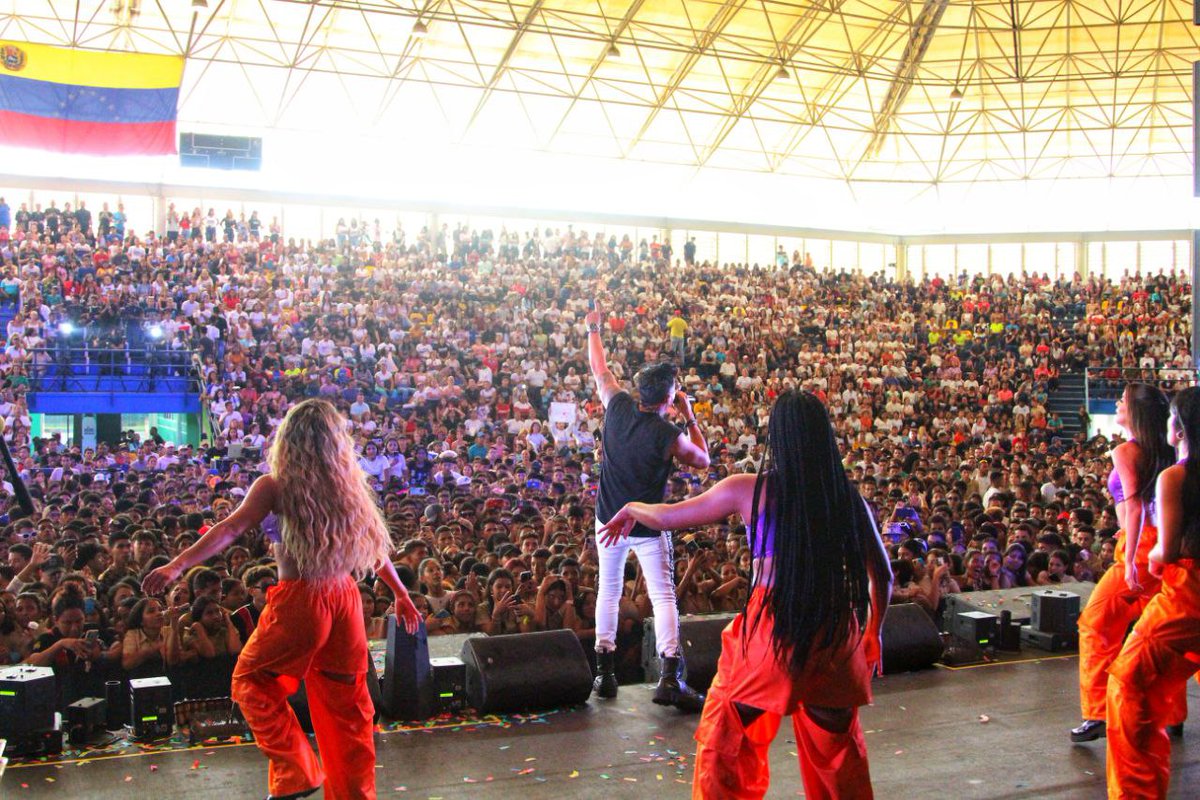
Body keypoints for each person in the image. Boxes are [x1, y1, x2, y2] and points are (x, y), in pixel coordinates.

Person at [600, 392, 892, 800]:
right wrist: (873, 632)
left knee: (727, 740)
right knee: (838, 754)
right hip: (833, 632)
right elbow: (883, 575)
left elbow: (668, 516)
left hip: (773, 632)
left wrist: (631, 507)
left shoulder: (750, 490)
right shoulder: (847, 500)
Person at [144, 399, 422, 800]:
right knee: (348, 708)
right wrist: (400, 593)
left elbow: (230, 528)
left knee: (251, 681)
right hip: (345, 599)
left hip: (303, 599)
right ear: (336, 443)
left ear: (287, 439)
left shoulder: (275, 485)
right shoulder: (347, 486)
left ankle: (296, 772)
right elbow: (376, 550)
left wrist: (177, 565)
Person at [585, 299, 710, 709]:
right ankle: (670, 676)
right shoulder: (668, 432)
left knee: (608, 589)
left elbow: (600, 370)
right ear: (668, 396)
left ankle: (604, 675)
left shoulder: (617, 406)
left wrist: (594, 330)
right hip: (647, 525)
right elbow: (704, 461)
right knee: (663, 596)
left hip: (608, 519)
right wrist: (690, 416)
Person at [1073, 384, 1185, 742]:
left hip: (1140, 548)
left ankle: (1099, 712)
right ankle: (1172, 712)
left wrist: (1132, 558)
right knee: (1169, 632)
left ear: (1135, 412)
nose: (1118, 404)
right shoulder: (1168, 450)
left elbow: (1134, 507)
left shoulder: (1126, 450)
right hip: (1172, 543)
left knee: (1096, 623)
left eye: (1122, 400)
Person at [1106, 386, 1200, 798]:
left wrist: (1146, 555)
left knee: (1130, 688)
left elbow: (1170, 546)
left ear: (1179, 429)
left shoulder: (1176, 476)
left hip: (1187, 596)